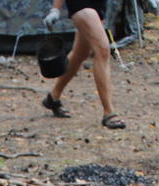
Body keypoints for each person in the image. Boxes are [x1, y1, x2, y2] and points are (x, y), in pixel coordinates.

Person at [41, 0, 126, 129]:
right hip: (81, 4)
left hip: (98, 6)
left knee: (80, 54)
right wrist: (55, 9)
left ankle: (53, 97)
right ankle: (109, 113)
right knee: (102, 50)